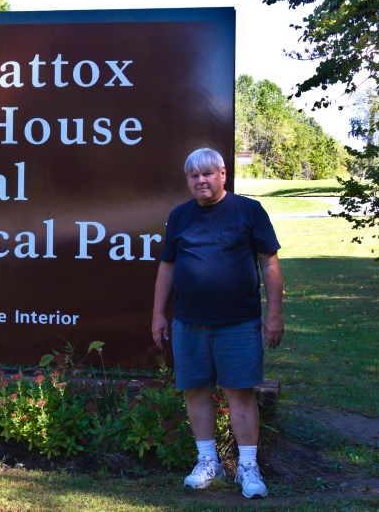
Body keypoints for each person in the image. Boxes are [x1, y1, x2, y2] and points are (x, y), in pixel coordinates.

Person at [151, 147, 284, 499]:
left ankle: (248, 468)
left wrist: (274, 313)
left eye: (207, 174)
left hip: (238, 322)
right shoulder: (180, 216)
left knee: (240, 393)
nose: (201, 181)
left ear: (223, 174)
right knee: (196, 391)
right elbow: (167, 267)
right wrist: (157, 315)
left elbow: (269, 263)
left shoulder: (248, 210)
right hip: (189, 323)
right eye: (194, 176)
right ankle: (207, 461)